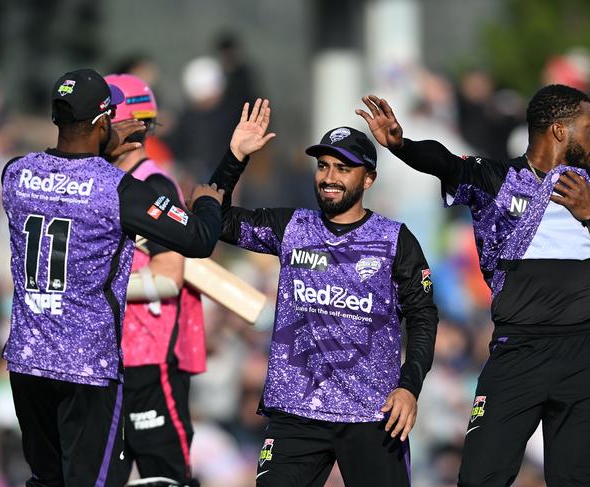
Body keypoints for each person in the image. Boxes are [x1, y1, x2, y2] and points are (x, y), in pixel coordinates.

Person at [357, 85, 590, 487]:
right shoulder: (498, 180)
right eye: (588, 127)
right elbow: (446, 163)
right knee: (481, 477)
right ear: (559, 130)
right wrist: (402, 145)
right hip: (517, 353)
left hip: (583, 355)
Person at [1, 68, 223, 487]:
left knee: (45, 480)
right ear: (105, 123)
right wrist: (208, 202)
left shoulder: (15, 173)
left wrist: (98, 144)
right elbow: (198, 239)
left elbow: (63, 177)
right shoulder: (117, 188)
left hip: (27, 363)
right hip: (87, 366)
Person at [210, 99, 439, 486]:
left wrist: (409, 386)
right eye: (323, 166)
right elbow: (213, 219)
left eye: (343, 168)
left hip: (372, 414)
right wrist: (235, 157)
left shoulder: (395, 240)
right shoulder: (291, 227)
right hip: (295, 412)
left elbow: (423, 316)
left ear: (368, 179)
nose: (329, 177)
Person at [103, 73, 204, 486]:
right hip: (104, 360)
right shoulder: (98, 181)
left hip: (150, 356)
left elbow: (169, 275)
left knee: (165, 479)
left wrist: (95, 290)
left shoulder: (153, 184)